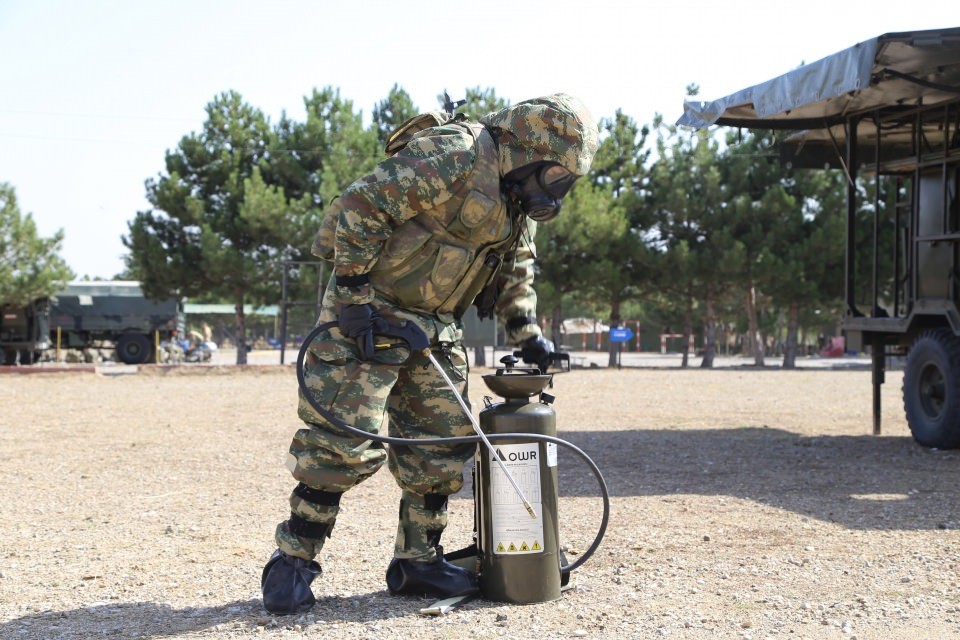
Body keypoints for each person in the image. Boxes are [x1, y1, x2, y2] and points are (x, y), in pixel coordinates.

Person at [261, 94, 599, 614]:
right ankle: (292, 562)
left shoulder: (513, 200)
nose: (556, 192)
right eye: (555, 176)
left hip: (434, 326)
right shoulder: (457, 156)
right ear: (527, 149)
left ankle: (418, 561)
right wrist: (351, 298)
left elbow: (515, 272)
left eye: (565, 182)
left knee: (440, 448)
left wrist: (527, 332)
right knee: (341, 442)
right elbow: (359, 207)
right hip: (372, 313)